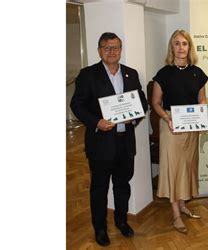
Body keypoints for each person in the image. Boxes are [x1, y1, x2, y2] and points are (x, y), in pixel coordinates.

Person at [70, 32, 148, 246]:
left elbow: (141, 102)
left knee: (123, 185)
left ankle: (122, 222)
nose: (112, 51)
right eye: (107, 47)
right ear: (99, 50)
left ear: (121, 50)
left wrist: (134, 119)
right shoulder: (88, 74)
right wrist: (96, 122)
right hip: (101, 143)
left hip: (125, 142)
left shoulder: (131, 74)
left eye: (115, 47)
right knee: (99, 188)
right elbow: (77, 105)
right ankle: (100, 228)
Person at [151, 30, 208, 234]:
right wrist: (167, 118)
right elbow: (155, 103)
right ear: (172, 47)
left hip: (191, 127)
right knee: (173, 169)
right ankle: (175, 214)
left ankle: (183, 205)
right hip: (171, 127)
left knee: (188, 166)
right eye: (177, 43)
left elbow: (202, 98)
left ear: (189, 47)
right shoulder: (163, 73)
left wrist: (202, 109)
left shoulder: (197, 72)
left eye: (185, 43)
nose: (181, 47)